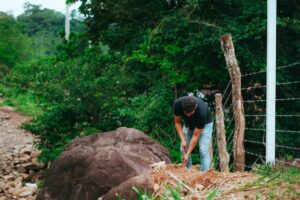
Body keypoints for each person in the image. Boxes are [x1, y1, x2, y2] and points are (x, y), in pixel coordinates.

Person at [173, 96, 213, 171]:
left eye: (190, 113)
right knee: (183, 149)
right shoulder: (177, 104)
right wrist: (183, 140)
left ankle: (204, 174)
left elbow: (195, 135)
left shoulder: (202, 111)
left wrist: (188, 154)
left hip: (205, 124)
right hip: (189, 125)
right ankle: (188, 171)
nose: (188, 115)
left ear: (195, 107)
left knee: (203, 150)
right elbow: (177, 122)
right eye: (186, 113)